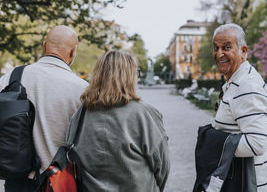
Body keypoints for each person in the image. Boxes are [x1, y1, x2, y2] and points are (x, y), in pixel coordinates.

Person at [66, 50, 170, 192]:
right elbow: (162, 166)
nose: (138, 79)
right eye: (136, 74)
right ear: (129, 77)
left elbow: (71, 156)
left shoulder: (81, 113)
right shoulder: (145, 114)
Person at [0, 25, 88, 192]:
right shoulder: (82, 89)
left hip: (16, 181)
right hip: (59, 182)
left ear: (44, 45)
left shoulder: (10, 78)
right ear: (73, 52)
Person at [211, 23, 267, 191]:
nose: (219, 53)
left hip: (257, 185)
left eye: (226, 47)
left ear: (243, 51)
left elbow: (256, 143)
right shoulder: (239, 79)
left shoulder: (246, 85)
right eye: (216, 48)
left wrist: (213, 143)